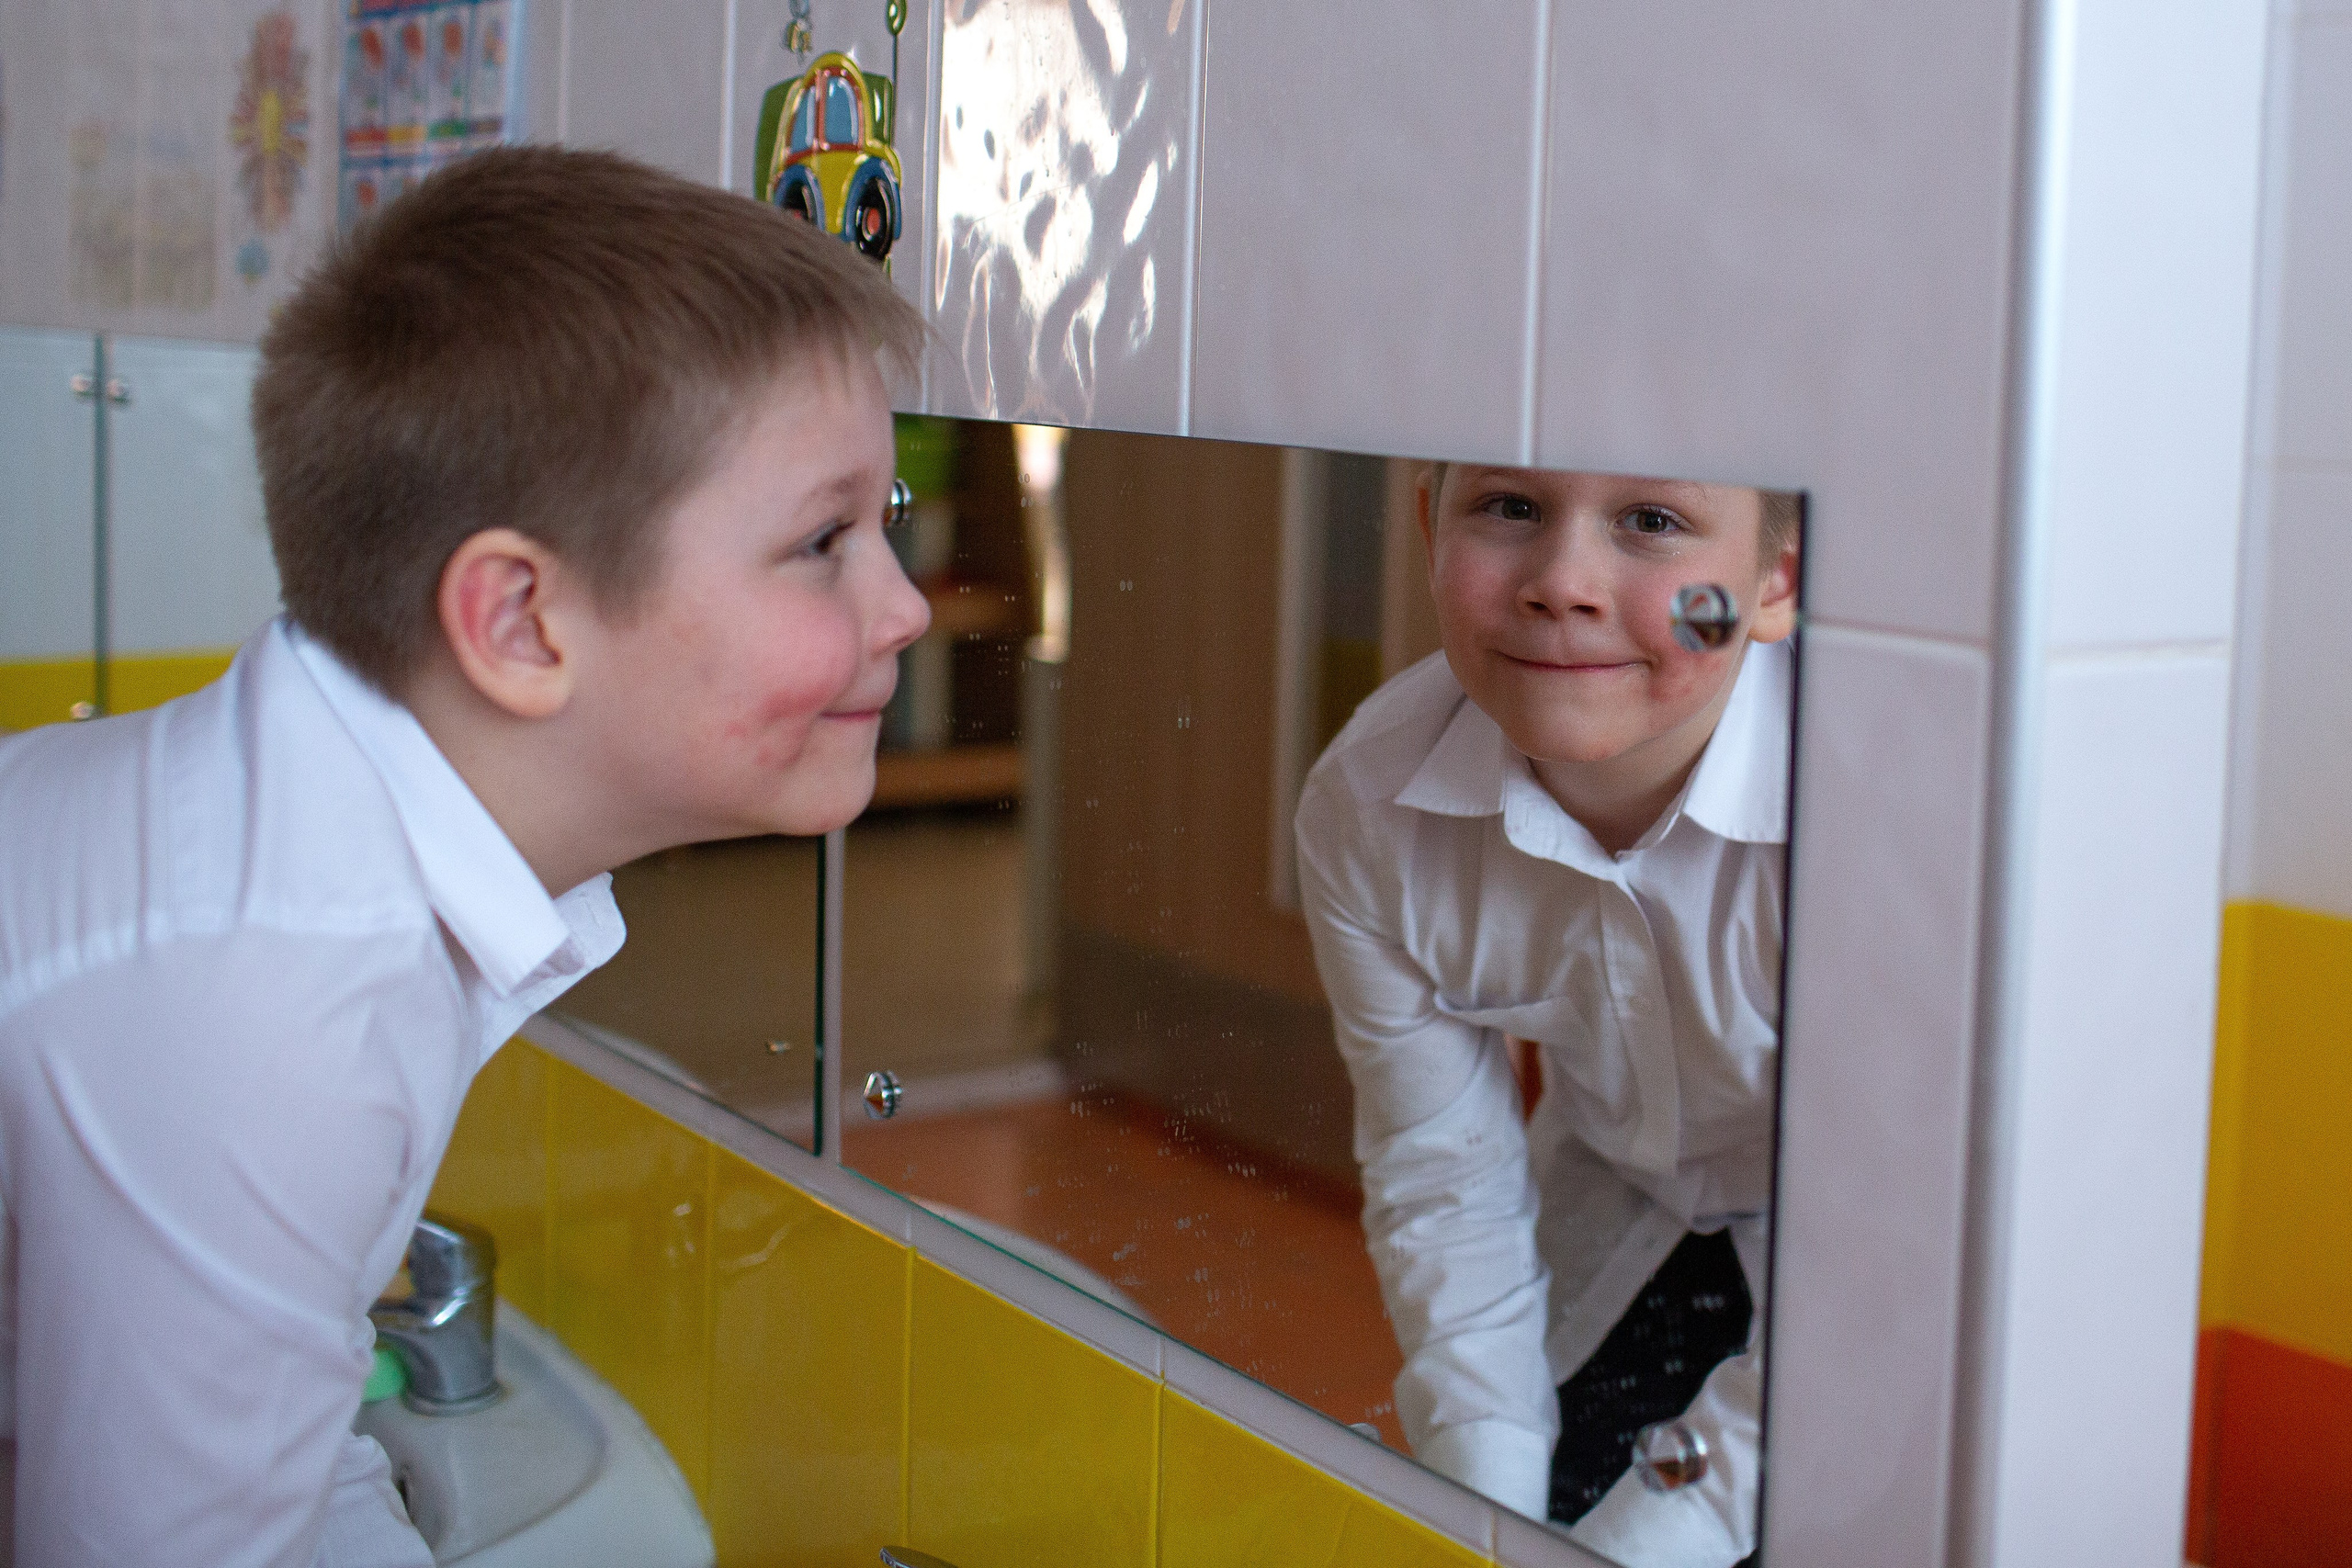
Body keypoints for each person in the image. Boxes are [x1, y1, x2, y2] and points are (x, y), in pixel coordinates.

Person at [0, 148, 929, 1564]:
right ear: (518, 623)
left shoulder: (335, 857)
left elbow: (298, 1468)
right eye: (825, 539)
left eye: (890, 526)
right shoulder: (276, 998)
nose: (907, 605)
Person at [1295, 463, 1800, 1568]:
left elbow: (1896, 1277)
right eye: (1510, 508)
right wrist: (1484, 1518)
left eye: (1654, 522)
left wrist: (1663, 1532)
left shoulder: (1872, 815)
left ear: (1776, 583)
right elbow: (1443, 1177)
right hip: (1625, 1198)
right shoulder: (1370, 809)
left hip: (1896, 1273)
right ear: (1429, 527)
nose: (1561, 584)